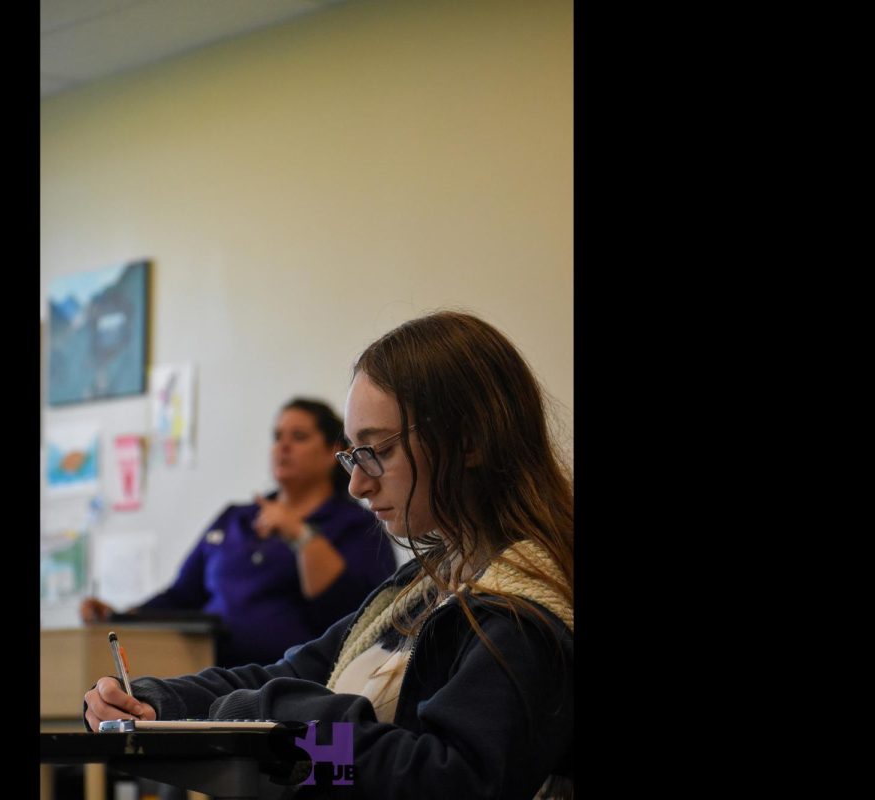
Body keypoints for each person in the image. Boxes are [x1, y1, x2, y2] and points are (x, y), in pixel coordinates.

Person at [83, 311, 575, 799]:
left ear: (468, 441)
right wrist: (156, 704)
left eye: (376, 450)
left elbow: (446, 782)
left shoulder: (523, 617)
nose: (358, 485)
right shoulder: (425, 586)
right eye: (352, 457)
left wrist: (282, 721)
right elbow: (295, 675)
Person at [80, 398, 397, 668]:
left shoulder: (357, 525)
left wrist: (300, 535)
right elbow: (182, 596)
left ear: (335, 450)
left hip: (298, 686)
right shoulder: (235, 518)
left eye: (299, 436)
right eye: (277, 436)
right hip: (209, 676)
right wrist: (118, 616)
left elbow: (357, 615)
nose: (282, 446)